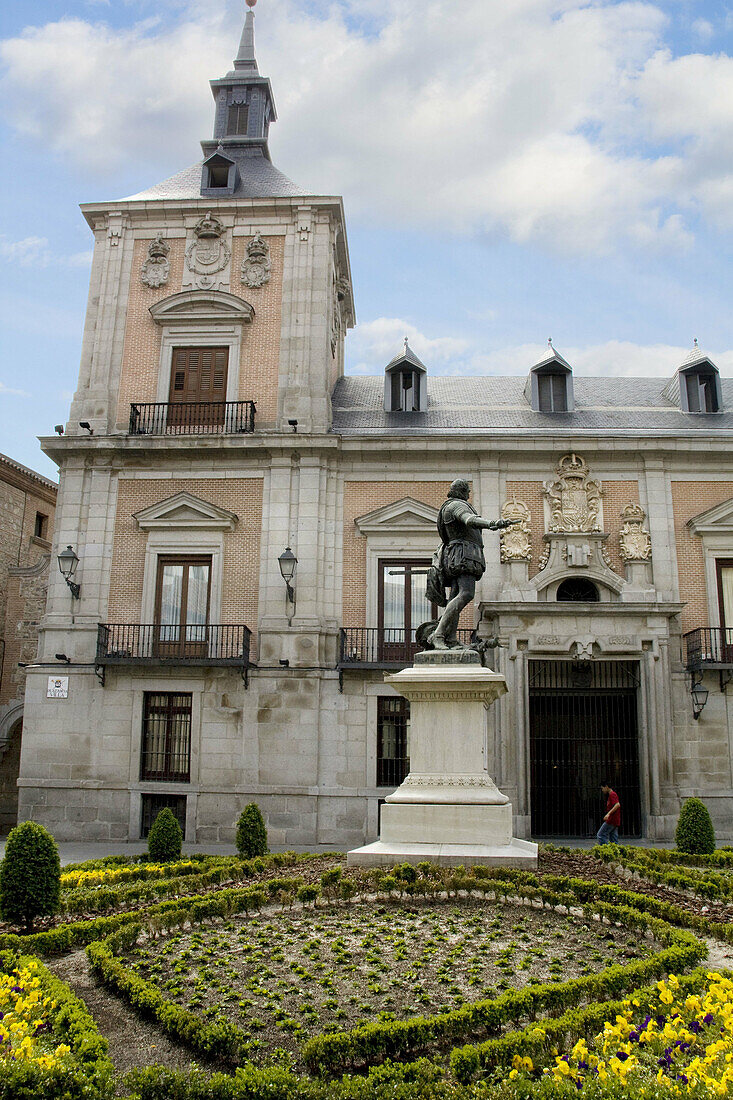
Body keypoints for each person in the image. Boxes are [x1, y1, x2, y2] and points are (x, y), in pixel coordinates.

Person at [426, 479, 512, 650]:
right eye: (468, 492)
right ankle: (438, 634)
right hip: (463, 555)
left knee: (457, 596)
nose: (469, 495)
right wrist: (492, 524)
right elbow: (469, 519)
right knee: (466, 594)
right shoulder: (456, 505)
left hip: (459, 554)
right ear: (463, 491)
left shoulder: (450, 506)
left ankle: (449, 638)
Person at [597, 780, 621, 844]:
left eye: (602, 788)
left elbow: (617, 805)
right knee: (613, 839)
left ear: (606, 787)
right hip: (614, 820)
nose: (602, 790)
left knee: (600, 835)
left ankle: (606, 850)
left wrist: (608, 814)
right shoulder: (612, 794)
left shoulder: (612, 794)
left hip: (611, 820)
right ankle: (614, 852)